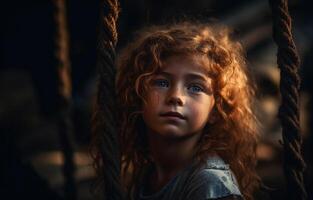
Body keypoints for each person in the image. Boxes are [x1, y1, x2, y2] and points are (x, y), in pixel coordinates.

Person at [91, 22, 260, 200]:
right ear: (137, 96)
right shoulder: (145, 175)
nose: (176, 96)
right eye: (162, 83)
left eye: (195, 87)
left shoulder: (209, 183)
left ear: (216, 110)